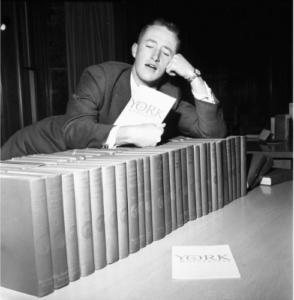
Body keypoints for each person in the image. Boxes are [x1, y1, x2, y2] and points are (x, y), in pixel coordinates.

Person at [0, 18, 226, 160]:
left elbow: (212, 133)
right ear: (135, 50)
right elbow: (74, 131)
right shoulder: (101, 76)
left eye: (166, 53)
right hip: (32, 151)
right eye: (149, 46)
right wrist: (129, 134)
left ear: (171, 63)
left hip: (77, 166)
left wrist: (192, 75)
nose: (156, 56)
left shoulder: (170, 94)